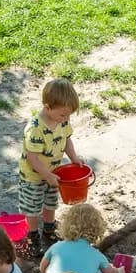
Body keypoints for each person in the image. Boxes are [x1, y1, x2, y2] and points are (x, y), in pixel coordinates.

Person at [19, 78, 84, 256]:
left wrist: (73, 158)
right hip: (33, 176)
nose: (66, 119)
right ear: (47, 107)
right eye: (63, 115)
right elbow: (32, 157)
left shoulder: (62, 121)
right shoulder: (35, 129)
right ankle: (32, 236)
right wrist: (46, 174)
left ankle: (48, 228)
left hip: (55, 173)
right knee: (32, 207)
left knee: (50, 202)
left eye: (68, 115)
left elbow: (67, 140)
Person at [39, 203, 126, 273]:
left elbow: (42, 268)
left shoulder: (56, 247)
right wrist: (120, 272)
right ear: (97, 229)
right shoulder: (96, 255)